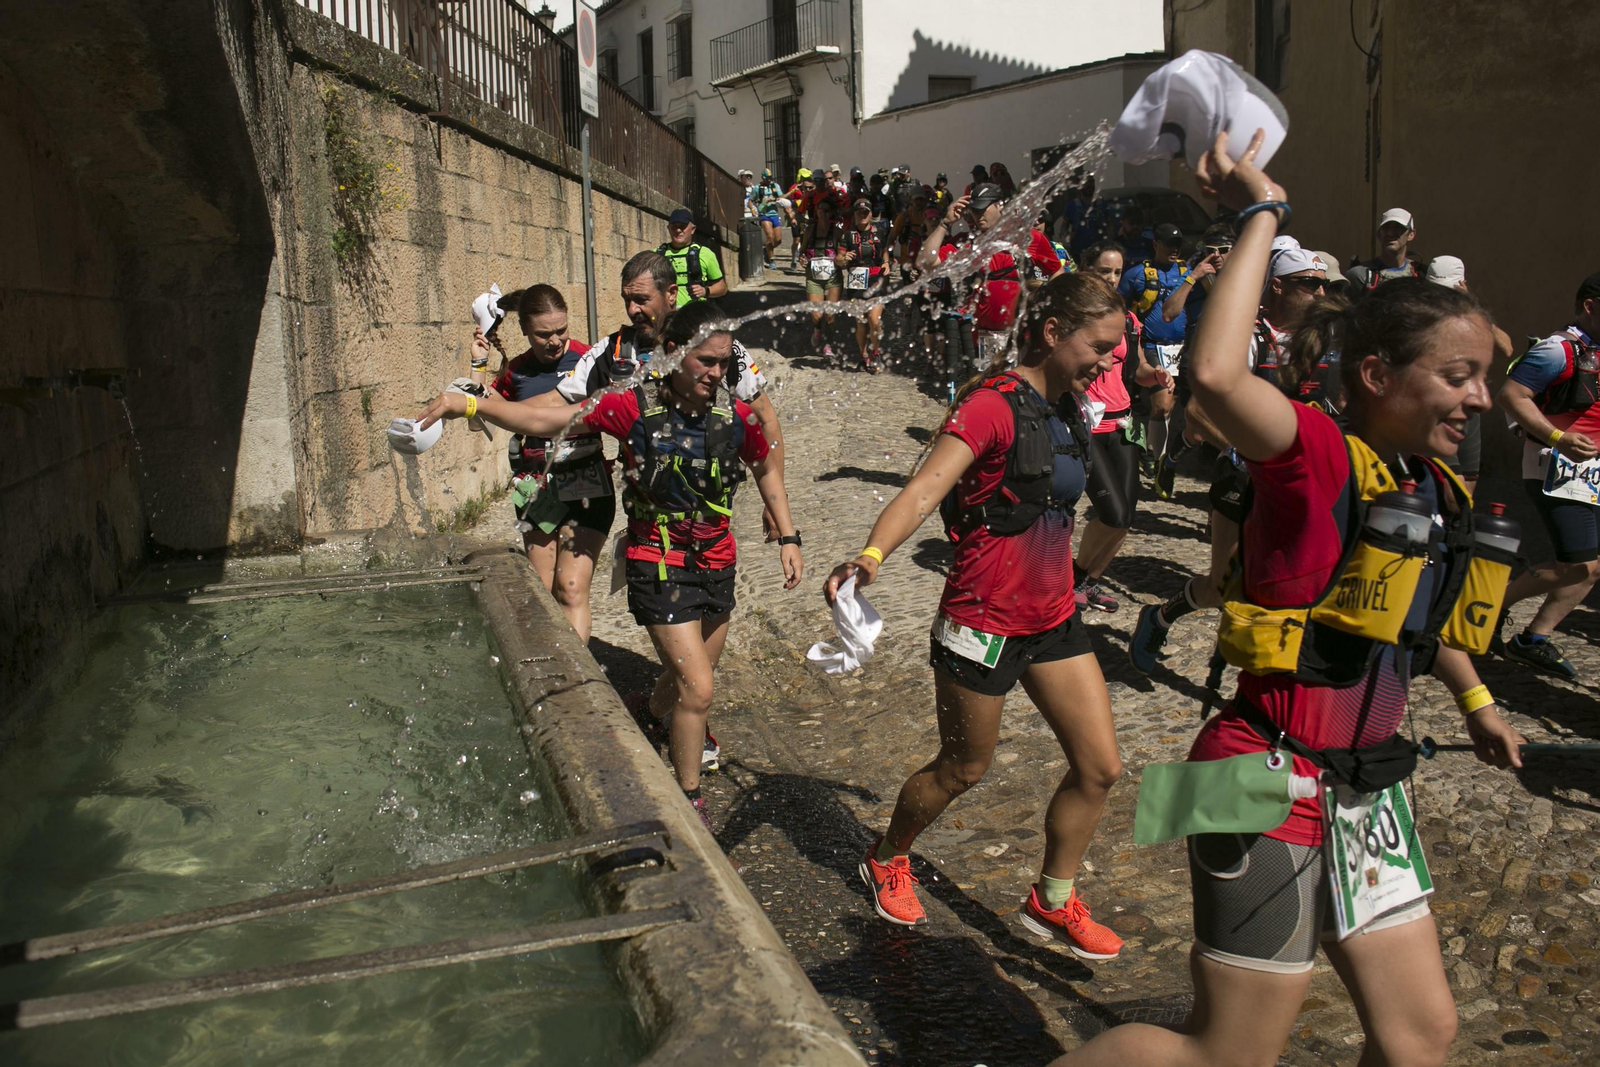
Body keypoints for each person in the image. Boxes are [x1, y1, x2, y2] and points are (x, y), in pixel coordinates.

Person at [1056, 129, 1525, 1067]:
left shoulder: (1432, 486)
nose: (1480, 401)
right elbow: (1218, 376)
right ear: (1378, 377)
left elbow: (1414, 624)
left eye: (1486, 378)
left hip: (1367, 788)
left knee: (1421, 1035)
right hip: (1255, 774)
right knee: (1227, 1053)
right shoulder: (1311, 455)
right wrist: (1261, 209)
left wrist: (1477, 701)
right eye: (1458, 376)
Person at [827, 272, 1127, 959]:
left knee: (1100, 766)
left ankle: (1051, 899)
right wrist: (870, 555)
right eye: (1101, 345)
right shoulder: (992, 406)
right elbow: (925, 489)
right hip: (981, 622)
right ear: (1053, 334)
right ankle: (887, 853)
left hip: (1051, 619)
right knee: (963, 769)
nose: (1110, 359)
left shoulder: (1071, 409)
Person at [417, 301, 804, 832]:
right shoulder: (630, 407)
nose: (719, 374)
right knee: (699, 690)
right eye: (707, 362)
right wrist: (470, 406)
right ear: (674, 354)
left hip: (716, 559)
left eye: (723, 363)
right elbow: (543, 417)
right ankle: (688, 802)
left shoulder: (733, 417)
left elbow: (766, 467)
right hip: (656, 560)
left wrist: (787, 534)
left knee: (687, 679)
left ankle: (649, 708)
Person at [1130, 241, 1329, 669]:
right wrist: (1249, 451)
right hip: (1245, 478)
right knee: (1224, 586)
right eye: (1308, 284)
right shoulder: (1245, 336)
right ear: (1277, 287)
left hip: (1304, 480)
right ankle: (1161, 616)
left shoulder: (1327, 339)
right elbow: (1199, 413)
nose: (1320, 294)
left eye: (1322, 284)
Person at [555, 251, 788, 551]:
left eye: (641, 299)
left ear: (671, 294)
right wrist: (484, 401)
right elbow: (555, 400)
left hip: (709, 530)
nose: (632, 310)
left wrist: (775, 503)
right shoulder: (613, 350)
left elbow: (766, 420)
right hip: (647, 527)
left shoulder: (719, 348)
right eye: (627, 300)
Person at [474, 285, 608, 642]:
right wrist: (477, 363)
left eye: (561, 330)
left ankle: (580, 679)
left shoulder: (589, 359)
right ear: (524, 332)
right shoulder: (515, 372)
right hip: (536, 490)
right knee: (545, 591)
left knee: (571, 589)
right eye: (543, 334)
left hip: (588, 485)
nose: (555, 341)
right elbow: (479, 418)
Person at [1492, 270, 1600, 681]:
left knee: (1593, 565)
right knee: (1575, 565)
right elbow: (1509, 396)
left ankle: (1533, 639)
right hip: (1555, 468)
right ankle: (1487, 606)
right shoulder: (1558, 350)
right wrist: (1559, 437)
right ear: (1591, 306)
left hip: (1592, 473)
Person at [1074, 242, 1171, 614]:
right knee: (1111, 512)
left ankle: (1091, 581)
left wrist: (1157, 376)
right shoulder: (1075, 316)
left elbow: (1139, 370)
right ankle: (1076, 574)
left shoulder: (1128, 320)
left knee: (1127, 515)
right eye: (1103, 271)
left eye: (1116, 272)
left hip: (1126, 423)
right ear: (1087, 270)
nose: (1111, 279)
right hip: (1088, 426)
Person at [918, 184, 1061, 394]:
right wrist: (945, 223)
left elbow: (1057, 272)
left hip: (1023, 334)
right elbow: (925, 261)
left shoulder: (1030, 238)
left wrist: (1050, 304)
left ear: (999, 205)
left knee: (1025, 394)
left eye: (982, 209)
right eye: (973, 210)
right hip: (985, 337)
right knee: (994, 393)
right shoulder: (970, 245)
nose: (977, 215)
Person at [1152, 221, 1236, 500]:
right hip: (1198, 359)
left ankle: (1221, 501)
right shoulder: (1192, 274)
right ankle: (1171, 461)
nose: (1217, 256)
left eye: (1224, 250)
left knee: (1227, 428)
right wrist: (1194, 276)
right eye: (1210, 250)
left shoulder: (1244, 276)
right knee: (1198, 429)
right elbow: (1168, 313)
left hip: (1234, 360)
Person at [1423, 255, 1508, 495]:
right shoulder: (1420, 315)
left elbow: (1506, 348)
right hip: (1437, 407)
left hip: (1468, 409)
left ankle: (1456, 531)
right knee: (1452, 489)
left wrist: (1474, 308)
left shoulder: (1472, 319)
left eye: (1450, 292)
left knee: (1467, 488)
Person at [1118, 222, 1188, 477]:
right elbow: (1119, 306)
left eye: (1178, 244)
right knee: (1162, 405)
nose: (1174, 249)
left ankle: (1159, 455)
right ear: (1156, 244)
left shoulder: (1188, 272)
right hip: (1151, 346)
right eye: (1169, 244)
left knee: (1176, 406)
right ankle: (1153, 457)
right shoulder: (1136, 274)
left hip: (1181, 348)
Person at [838, 196, 889, 373]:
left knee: (874, 320)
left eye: (866, 212)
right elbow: (838, 258)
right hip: (856, 282)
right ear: (854, 215)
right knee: (861, 322)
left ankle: (876, 353)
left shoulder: (880, 232)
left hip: (875, 280)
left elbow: (884, 252)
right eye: (859, 212)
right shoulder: (847, 236)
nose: (863, 215)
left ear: (870, 214)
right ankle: (863, 355)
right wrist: (844, 259)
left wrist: (886, 263)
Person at [800, 194, 846, 361]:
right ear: (817, 212)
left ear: (832, 213)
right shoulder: (810, 231)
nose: (824, 214)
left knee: (830, 313)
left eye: (827, 211)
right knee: (817, 315)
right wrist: (802, 258)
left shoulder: (838, 232)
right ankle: (817, 329)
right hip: (813, 277)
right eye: (821, 210)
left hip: (833, 277)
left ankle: (828, 344)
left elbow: (844, 253)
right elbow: (802, 251)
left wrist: (844, 259)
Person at [658, 209, 727, 307]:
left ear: (693, 229)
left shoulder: (705, 254)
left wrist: (705, 291)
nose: (678, 230)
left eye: (682, 226)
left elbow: (722, 288)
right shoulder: (657, 254)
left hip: (696, 313)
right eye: (674, 227)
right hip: (667, 314)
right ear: (668, 228)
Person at [1346, 207, 1422, 292]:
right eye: (1386, 228)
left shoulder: (1421, 274)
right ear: (1379, 234)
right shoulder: (1360, 275)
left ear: (1411, 234)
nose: (1390, 233)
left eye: (1398, 228)